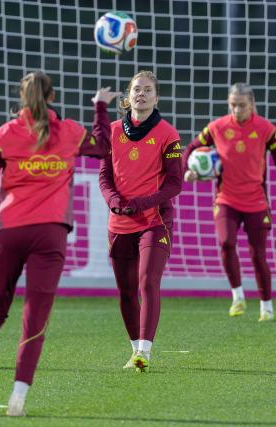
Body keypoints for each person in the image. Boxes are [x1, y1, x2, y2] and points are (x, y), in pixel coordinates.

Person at [0, 71, 120, 416]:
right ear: (52, 98)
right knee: (35, 319)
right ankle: (17, 399)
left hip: (11, 232)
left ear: (22, 97)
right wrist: (99, 108)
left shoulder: (6, 134)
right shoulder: (70, 132)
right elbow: (105, 148)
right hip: (50, 235)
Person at [183, 82, 276, 322]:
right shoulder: (217, 127)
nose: (236, 110)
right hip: (226, 199)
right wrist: (187, 171)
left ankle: (267, 306)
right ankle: (238, 296)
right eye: (232, 105)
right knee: (226, 243)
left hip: (256, 201)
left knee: (258, 255)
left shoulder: (266, 129)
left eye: (241, 105)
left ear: (252, 105)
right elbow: (190, 148)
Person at [99, 70, 183, 372]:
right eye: (137, 89)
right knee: (125, 290)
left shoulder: (168, 134)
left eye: (148, 90)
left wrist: (142, 202)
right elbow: (105, 176)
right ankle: (134, 348)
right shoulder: (111, 131)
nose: (141, 94)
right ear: (127, 96)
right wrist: (113, 201)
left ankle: (145, 352)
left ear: (156, 97)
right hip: (119, 223)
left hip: (153, 221)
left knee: (148, 281)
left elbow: (175, 184)